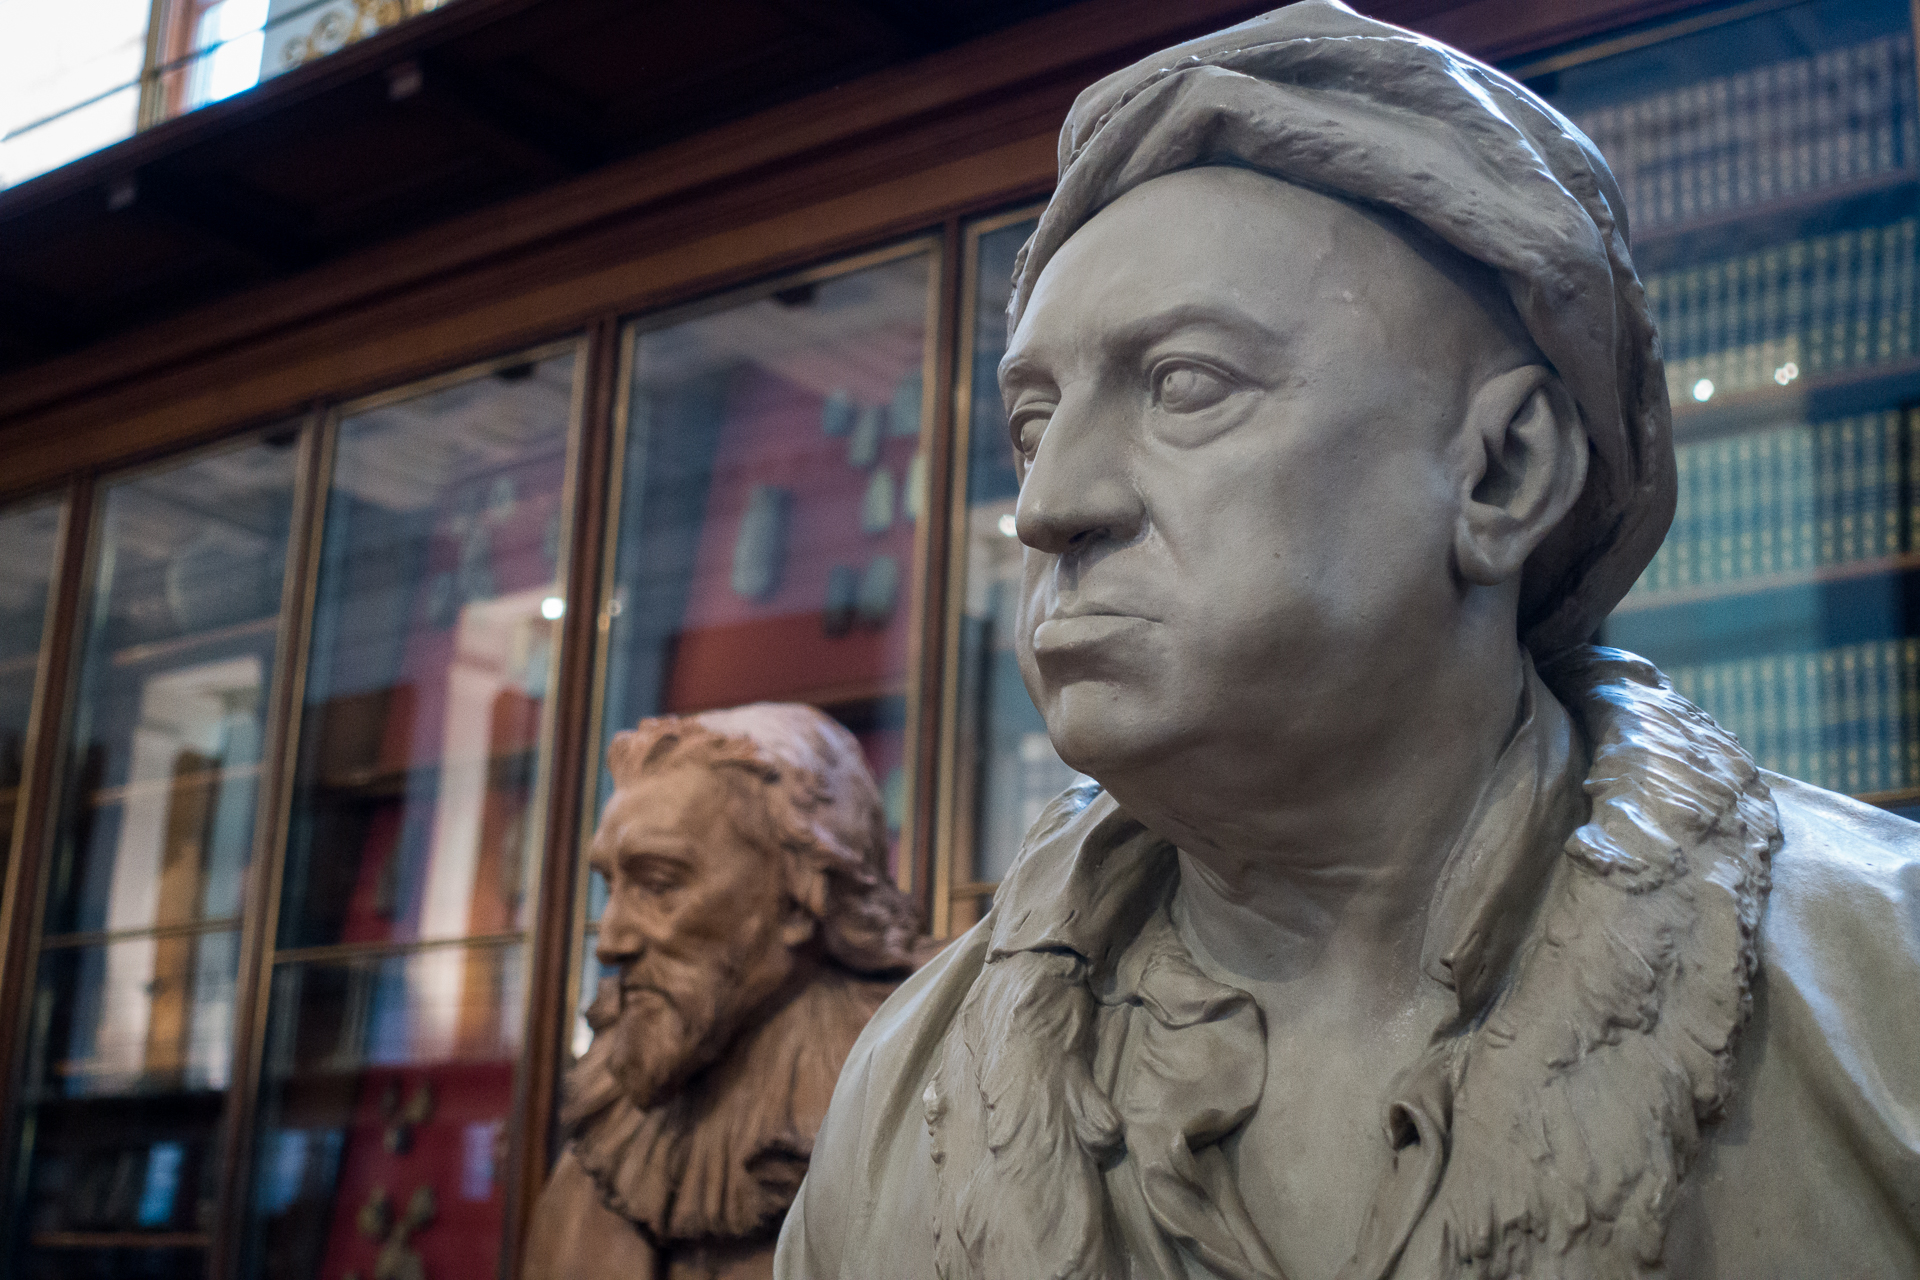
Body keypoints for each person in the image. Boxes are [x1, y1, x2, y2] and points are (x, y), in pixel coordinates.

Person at [772, 4, 1920, 1278]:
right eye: (1035, 423)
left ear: (1501, 472)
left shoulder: (1889, 993)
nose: (1049, 506)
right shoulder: (905, 1095)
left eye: (1187, 385)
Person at [525, 703, 920, 1280]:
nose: (610, 942)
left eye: (658, 884)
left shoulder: (918, 1113)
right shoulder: (606, 1148)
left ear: (798, 895)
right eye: (611, 886)